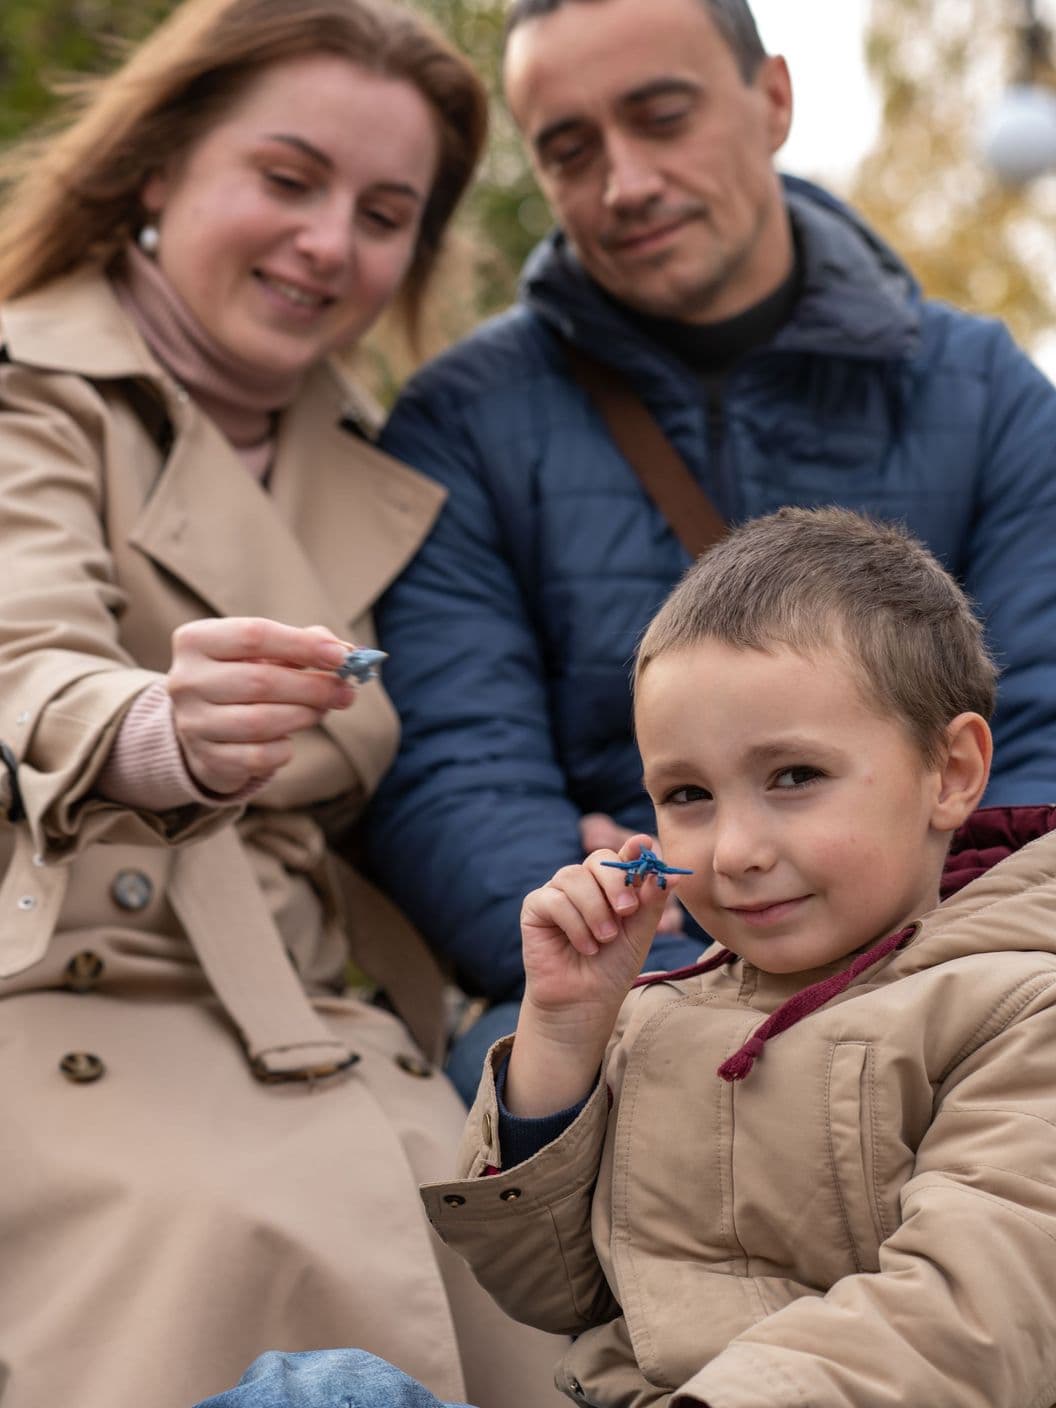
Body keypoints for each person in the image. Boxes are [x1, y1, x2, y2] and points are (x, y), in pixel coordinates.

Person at [0, 3, 565, 1406]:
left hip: (332, 1031)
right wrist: (156, 734)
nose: (331, 244)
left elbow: (463, 762)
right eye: (288, 178)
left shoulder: (390, 467)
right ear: (159, 168)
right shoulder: (27, 388)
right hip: (68, 1012)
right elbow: (23, 651)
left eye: (386, 213)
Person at [200, 506, 1056, 1408]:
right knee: (315, 1391)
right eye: (687, 794)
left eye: (794, 777)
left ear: (953, 772)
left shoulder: (1016, 1010)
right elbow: (550, 1292)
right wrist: (565, 1031)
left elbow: (972, 1320)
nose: (733, 851)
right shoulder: (664, 1009)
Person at [365, 0, 1056, 1103]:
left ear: (773, 99)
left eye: (662, 116)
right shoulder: (460, 426)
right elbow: (452, 767)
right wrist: (635, 925)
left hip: (961, 964)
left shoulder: (986, 396)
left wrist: (899, 946)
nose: (624, 181)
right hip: (630, 985)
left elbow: (1036, 736)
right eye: (570, 149)